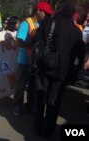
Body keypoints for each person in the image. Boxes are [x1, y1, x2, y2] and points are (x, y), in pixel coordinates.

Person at [32, 4, 86, 139]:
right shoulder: (76, 31)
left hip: (44, 68)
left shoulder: (47, 22)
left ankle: (37, 127)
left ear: (60, 12)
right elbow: (80, 57)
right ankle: (48, 131)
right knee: (53, 104)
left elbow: (36, 41)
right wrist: (74, 74)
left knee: (40, 99)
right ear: (73, 15)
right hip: (62, 74)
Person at [13, 1, 53, 115]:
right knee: (21, 84)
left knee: (33, 85)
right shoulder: (26, 24)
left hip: (35, 62)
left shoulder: (42, 24)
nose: (46, 16)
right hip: (24, 61)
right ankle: (17, 105)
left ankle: (30, 105)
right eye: (45, 13)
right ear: (38, 11)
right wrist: (33, 45)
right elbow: (19, 42)